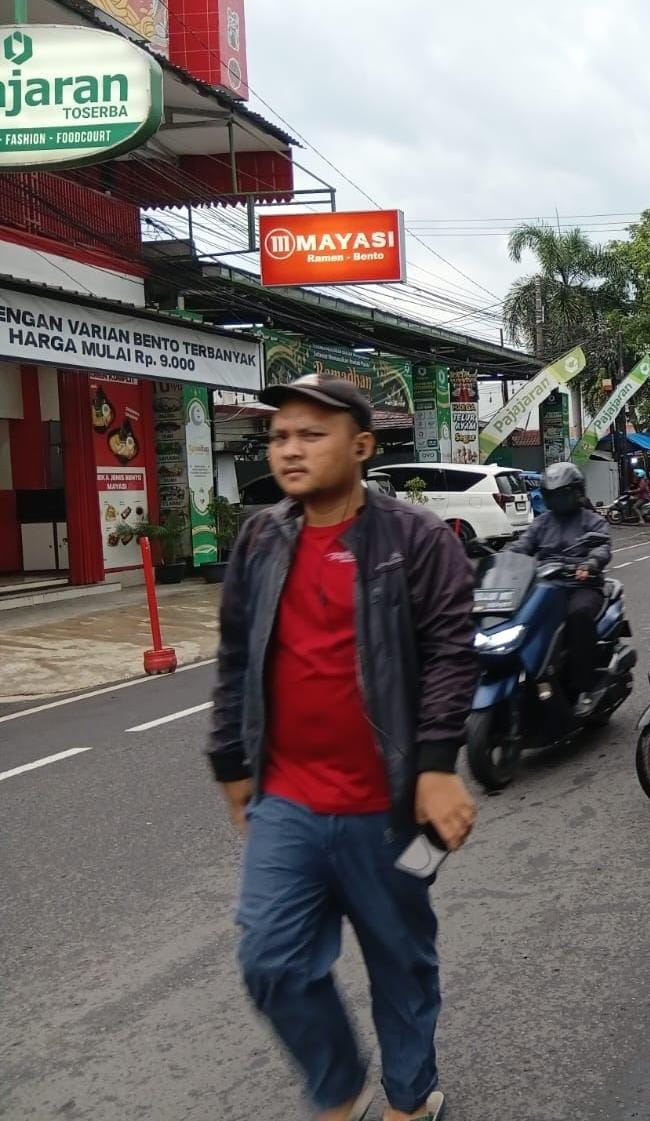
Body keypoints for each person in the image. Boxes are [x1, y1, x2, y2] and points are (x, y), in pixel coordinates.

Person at [209, 373, 476, 1121]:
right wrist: (229, 758)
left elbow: (452, 652)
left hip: (385, 808)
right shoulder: (261, 537)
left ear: (360, 446)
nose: (289, 449)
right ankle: (339, 1090)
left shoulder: (415, 537)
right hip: (288, 800)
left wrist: (435, 767)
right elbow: (236, 655)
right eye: (279, 436)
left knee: (400, 961)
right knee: (270, 959)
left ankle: (411, 1098)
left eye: (310, 434)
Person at [508, 462, 613, 719]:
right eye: (552, 495)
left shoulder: (592, 520)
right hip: (546, 587)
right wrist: (503, 557)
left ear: (577, 492)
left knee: (578, 615)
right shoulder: (541, 523)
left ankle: (585, 687)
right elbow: (522, 546)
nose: (558, 500)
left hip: (582, 586)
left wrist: (590, 564)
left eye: (563, 494)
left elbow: (602, 548)